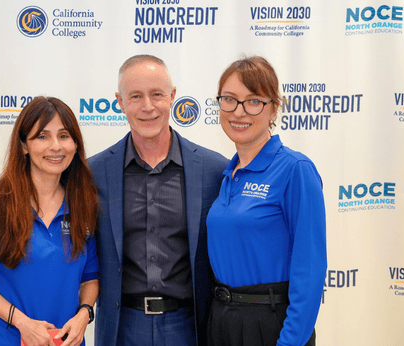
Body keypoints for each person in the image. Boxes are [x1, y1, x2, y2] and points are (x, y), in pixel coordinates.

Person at [88, 54, 229, 346]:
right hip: (121, 327)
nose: (148, 107)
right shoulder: (93, 173)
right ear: (119, 101)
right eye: (136, 96)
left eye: (156, 95)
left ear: (173, 96)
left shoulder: (214, 170)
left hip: (189, 327)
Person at [0, 96, 99, 346]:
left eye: (64, 136)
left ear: (76, 144)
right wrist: (23, 323)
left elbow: (90, 275)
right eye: (42, 137)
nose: (56, 146)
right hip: (0, 340)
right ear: (24, 145)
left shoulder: (83, 203)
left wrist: (84, 314)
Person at [206, 56, 327, 346]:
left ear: (273, 107)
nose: (239, 111)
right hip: (221, 320)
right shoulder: (227, 174)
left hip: (270, 324)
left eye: (254, 101)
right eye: (230, 100)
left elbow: (309, 272)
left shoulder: (295, 169)